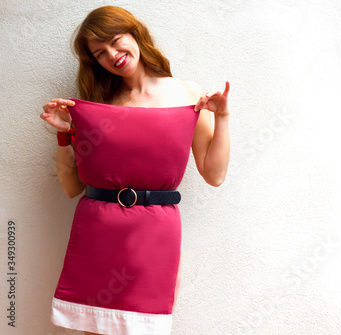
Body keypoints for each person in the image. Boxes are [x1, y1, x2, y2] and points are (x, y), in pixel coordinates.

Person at [40, 6, 230, 335]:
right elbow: (72, 189)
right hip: (98, 234)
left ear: (135, 34)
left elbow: (214, 175)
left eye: (116, 41)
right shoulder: (98, 105)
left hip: (154, 236)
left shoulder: (189, 96)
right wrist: (62, 134)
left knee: (147, 326)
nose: (112, 55)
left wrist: (223, 117)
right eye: (100, 53)